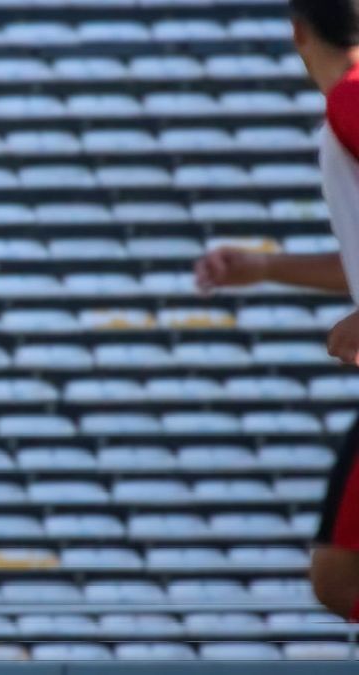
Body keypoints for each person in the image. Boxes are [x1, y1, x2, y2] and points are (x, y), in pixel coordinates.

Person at [193, 0, 359, 622]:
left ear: (296, 31)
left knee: (339, 576)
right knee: (338, 574)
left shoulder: (349, 99)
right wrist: (266, 268)